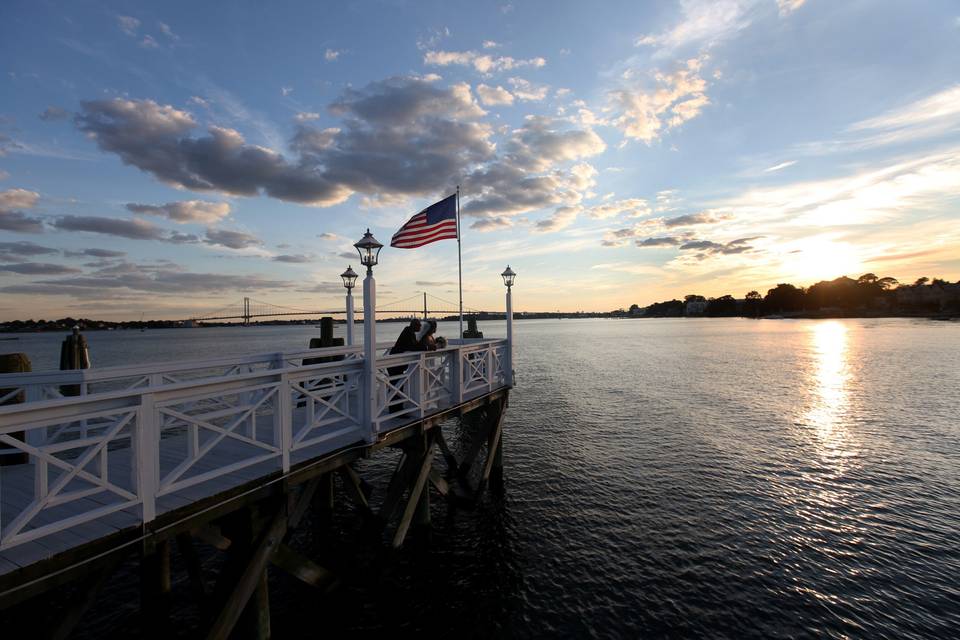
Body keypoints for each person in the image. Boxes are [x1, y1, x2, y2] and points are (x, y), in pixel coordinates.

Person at [388, 319, 423, 415]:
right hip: (395, 362)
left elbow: (414, 345)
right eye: (419, 325)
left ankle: (396, 408)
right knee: (397, 385)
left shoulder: (409, 332)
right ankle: (396, 410)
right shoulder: (408, 333)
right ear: (414, 325)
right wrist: (426, 347)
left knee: (397, 385)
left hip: (396, 362)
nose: (420, 327)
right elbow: (413, 346)